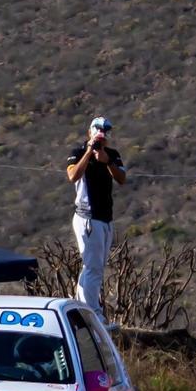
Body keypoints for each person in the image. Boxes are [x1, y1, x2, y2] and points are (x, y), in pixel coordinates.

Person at [66, 116, 126, 324]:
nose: (102, 135)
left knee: (95, 266)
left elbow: (121, 178)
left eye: (106, 132)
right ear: (90, 132)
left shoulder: (112, 155)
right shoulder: (78, 152)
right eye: (98, 130)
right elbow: (73, 176)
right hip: (88, 217)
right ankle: (93, 316)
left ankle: (82, 309)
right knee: (93, 268)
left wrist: (107, 160)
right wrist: (89, 153)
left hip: (105, 218)